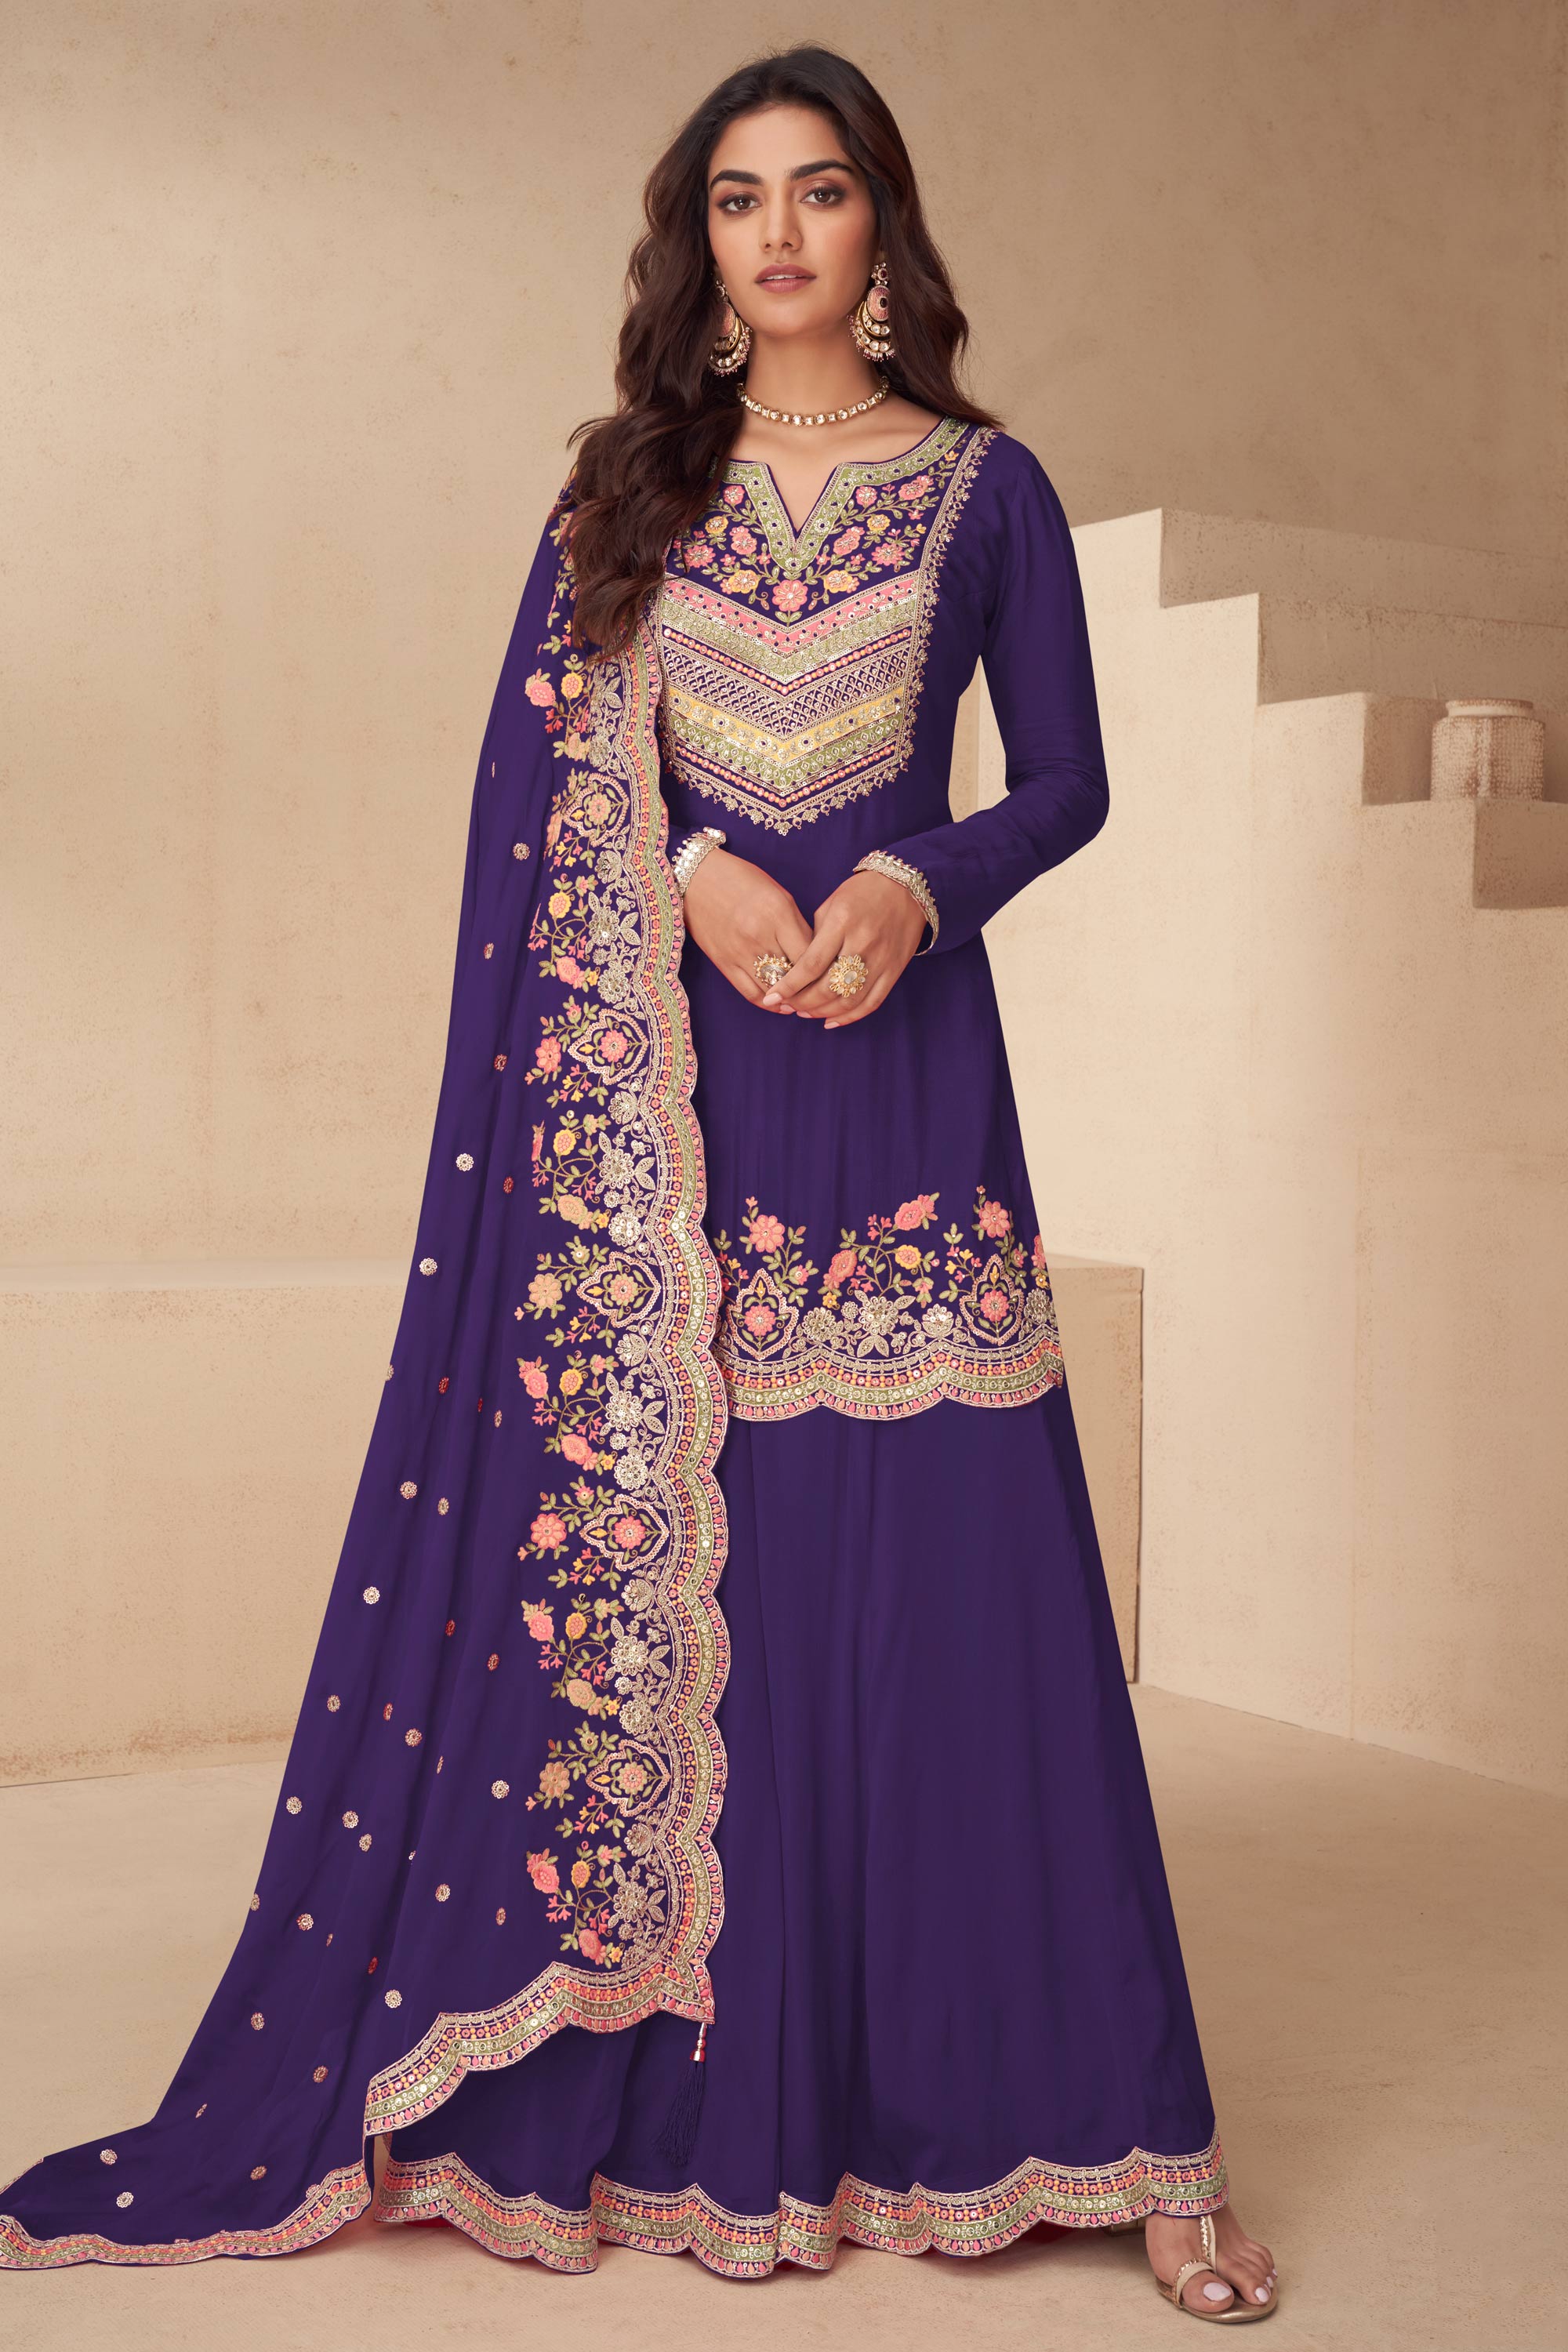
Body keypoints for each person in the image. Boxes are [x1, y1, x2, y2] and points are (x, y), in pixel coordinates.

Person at [0, 45, 1279, 2321]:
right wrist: (690, 867)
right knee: (741, 1585)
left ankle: (1120, 2127)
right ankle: (735, 2113)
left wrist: (916, 883)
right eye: (738, 198)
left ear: (883, 228)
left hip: (905, 1084)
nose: (779, 233)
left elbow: (1069, 780)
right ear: (701, 240)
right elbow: (538, 779)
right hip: (676, 1104)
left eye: (820, 191)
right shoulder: (627, 487)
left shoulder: (985, 488)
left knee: (968, 1584)